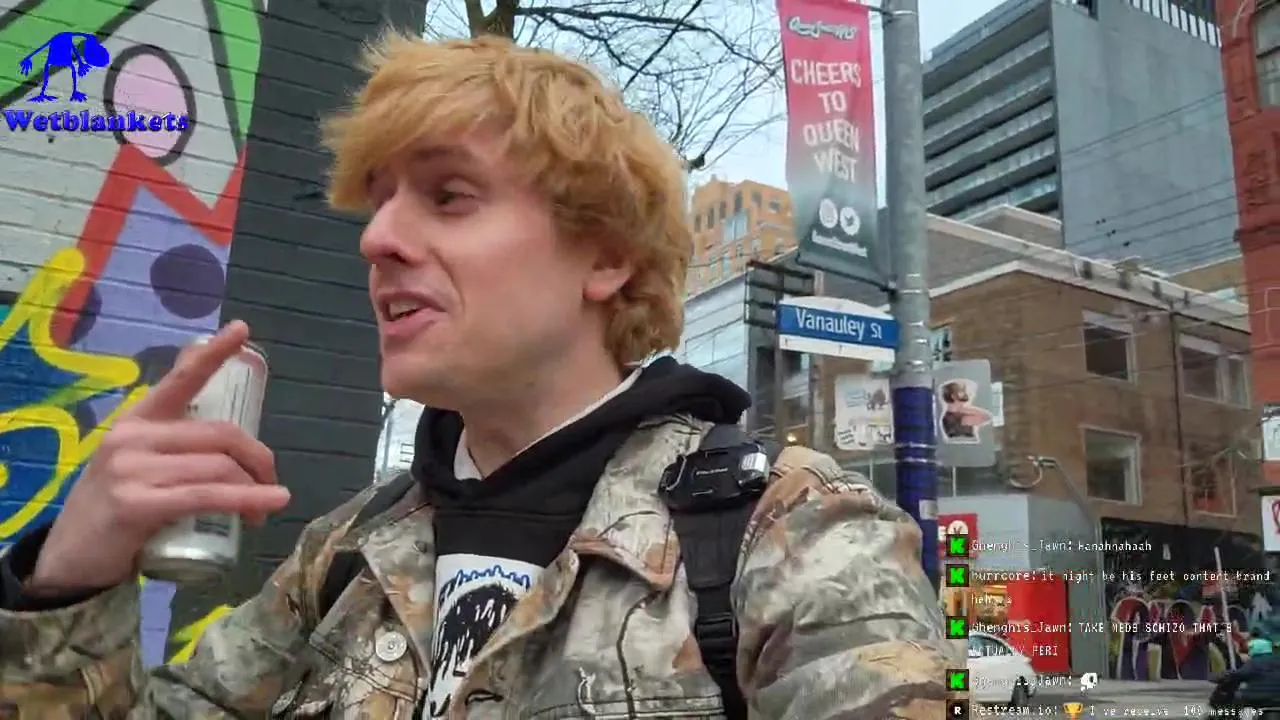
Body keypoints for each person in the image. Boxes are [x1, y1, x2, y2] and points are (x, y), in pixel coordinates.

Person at [0, 32, 955, 718]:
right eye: (377, 204)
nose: (377, 239)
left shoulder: (792, 532)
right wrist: (67, 582)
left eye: (449, 196)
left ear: (605, 256)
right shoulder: (343, 556)